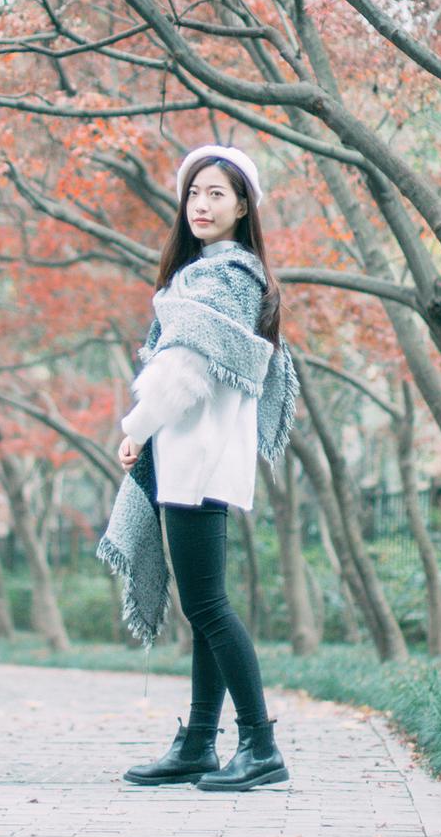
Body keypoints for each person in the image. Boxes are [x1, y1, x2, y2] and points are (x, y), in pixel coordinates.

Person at [97, 143, 298, 792]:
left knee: (208, 606)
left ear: (243, 207)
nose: (202, 205)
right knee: (205, 605)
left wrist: (136, 428)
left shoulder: (226, 278)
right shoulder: (207, 275)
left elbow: (184, 371)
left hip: (199, 457)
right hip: (196, 457)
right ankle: (197, 743)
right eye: (193, 193)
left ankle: (260, 744)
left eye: (217, 194)